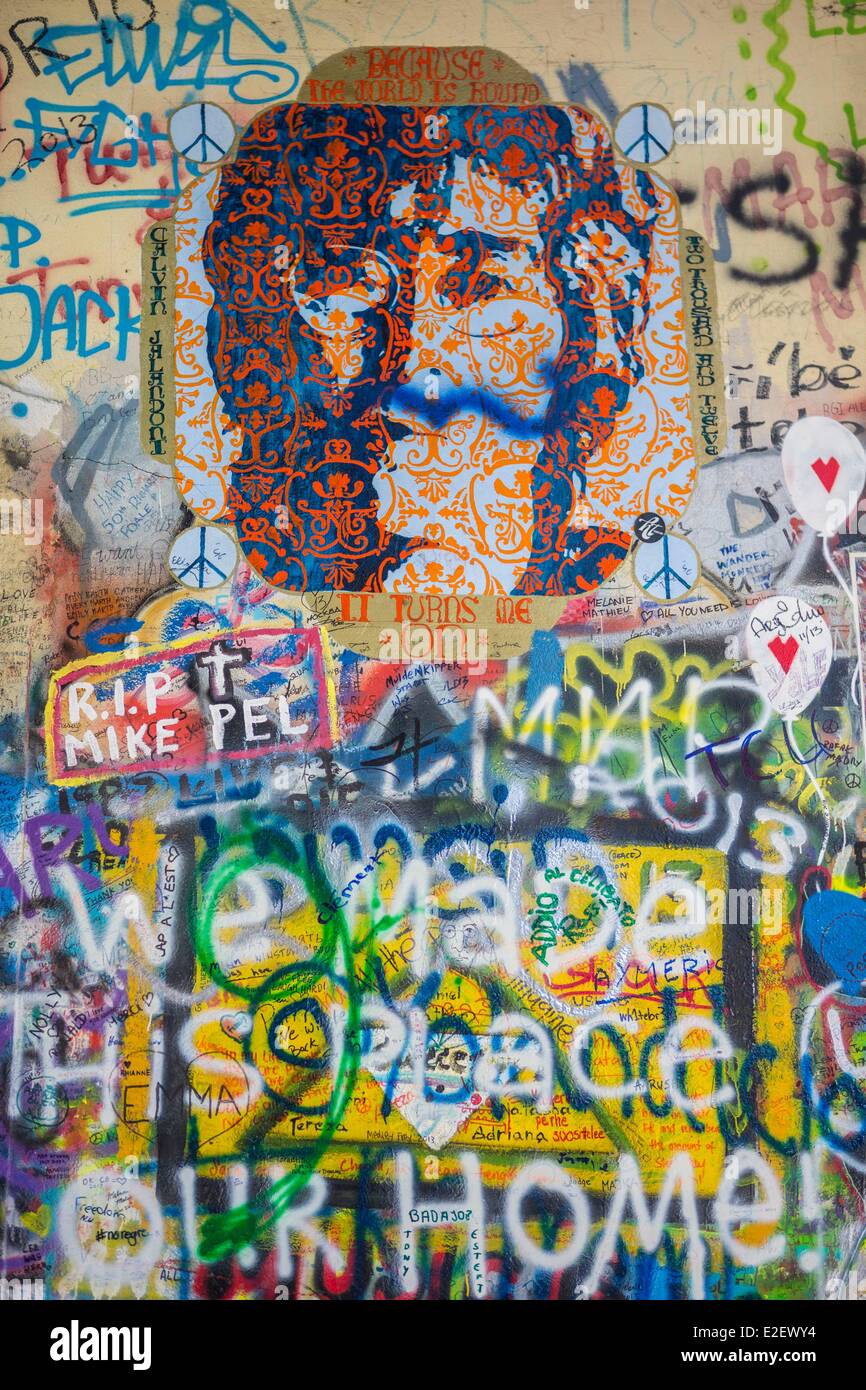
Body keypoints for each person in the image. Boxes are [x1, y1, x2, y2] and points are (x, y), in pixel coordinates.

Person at [202, 101, 679, 596]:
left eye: (491, 307)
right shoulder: (288, 562)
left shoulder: (608, 563)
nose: (402, 397)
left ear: (584, 336)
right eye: (363, 309)